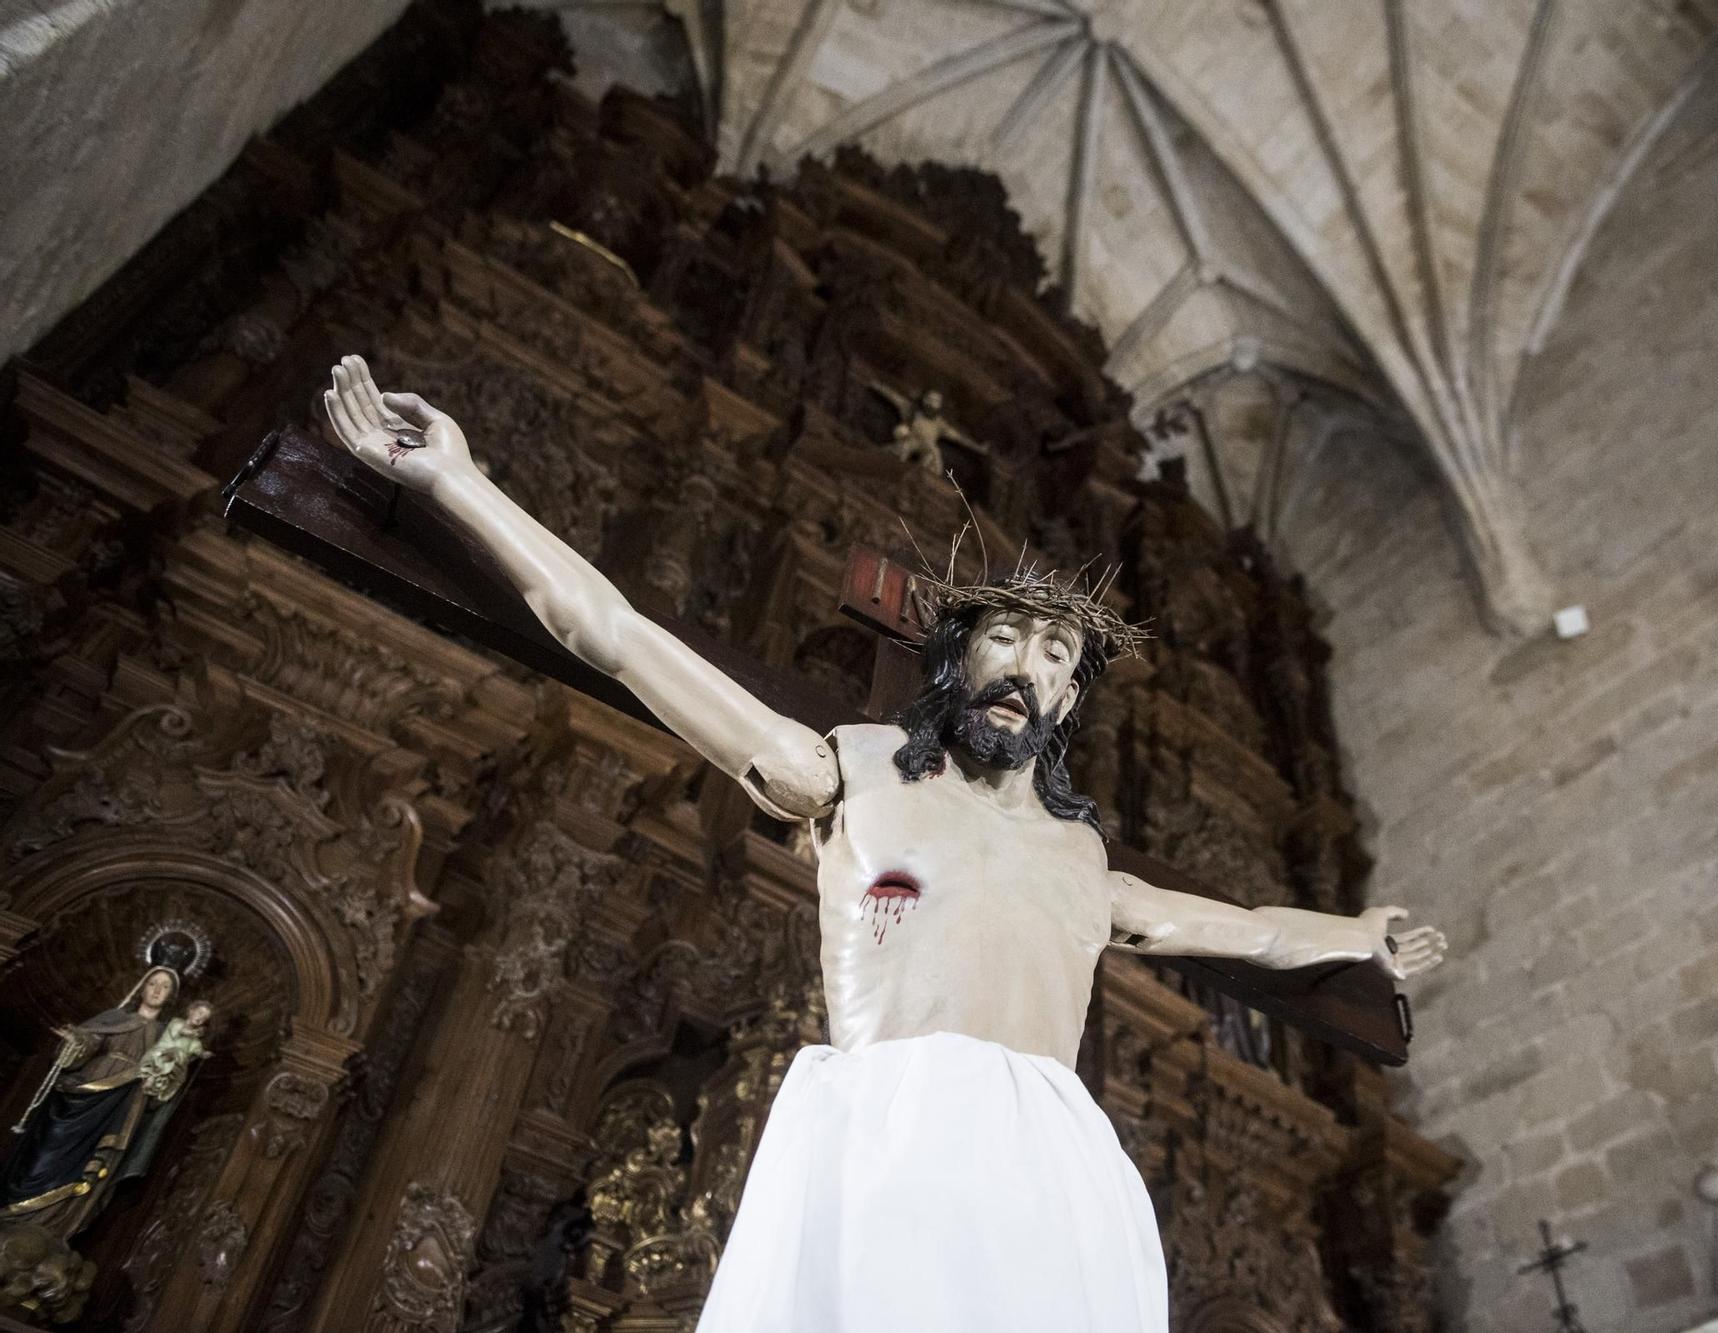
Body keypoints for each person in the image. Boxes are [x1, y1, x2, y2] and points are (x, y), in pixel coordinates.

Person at [322, 355, 1448, 1332]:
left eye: (1057, 657)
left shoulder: (1086, 864)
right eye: (1005, 637)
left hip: (1061, 1171)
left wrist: (1359, 935)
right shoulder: (841, 770)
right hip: (892, 1132)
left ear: (1068, 698)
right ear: (956, 661)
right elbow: (613, 635)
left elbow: (1244, 931)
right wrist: (459, 480)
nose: (1028, 668)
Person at [0, 969, 202, 1241]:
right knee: (44, 1153)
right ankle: (15, 1209)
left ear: (170, 996)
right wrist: (77, 1043)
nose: (156, 990)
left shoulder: (166, 1035)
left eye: (164, 987)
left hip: (123, 1104)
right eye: (152, 983)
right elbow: (89, 1041)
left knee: (96, 1161)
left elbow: (170, 1078)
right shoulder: (115, 1018)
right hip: (81, 1096)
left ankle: (52, 1224)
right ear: (141, 987)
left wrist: (171, 1067)